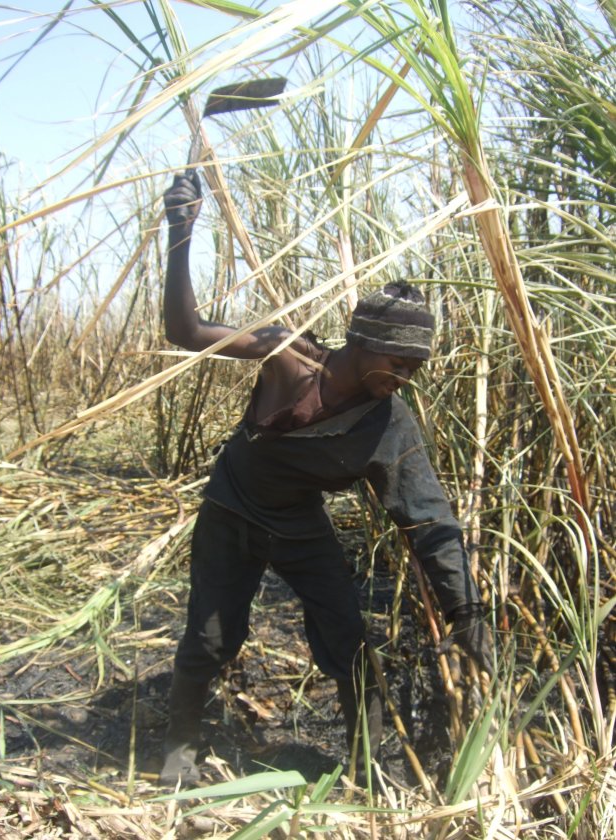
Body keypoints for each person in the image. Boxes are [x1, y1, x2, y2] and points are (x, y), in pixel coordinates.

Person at [160, 172, 493, 786]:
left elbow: (431, 520)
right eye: (399, 363)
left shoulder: (390, 424)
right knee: (210, 637)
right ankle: (181, 743)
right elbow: (185, 333)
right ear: (365, 343)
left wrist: (465, 611)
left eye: (415, 368)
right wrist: (180, 230)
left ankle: (365, 769)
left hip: (297, 527)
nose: (405, 377)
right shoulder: (285, 356)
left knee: (350, 643)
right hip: (231, 509)